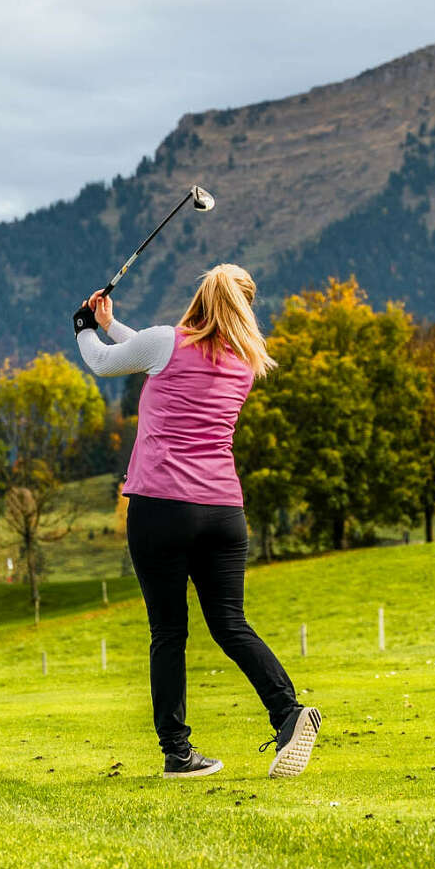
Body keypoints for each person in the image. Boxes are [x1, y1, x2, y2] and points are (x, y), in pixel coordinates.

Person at [74, 265, 320, 779]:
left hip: (161, 507)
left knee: (168, 632)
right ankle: (288, 712)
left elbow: (105, 363)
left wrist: (84, 327)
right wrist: (113, 323)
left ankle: (178, 753)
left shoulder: (167, 342)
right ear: (244, 308)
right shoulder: (245, 363)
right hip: (224, 513)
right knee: (230, 625)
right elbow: (150, 351)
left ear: (200, 298)